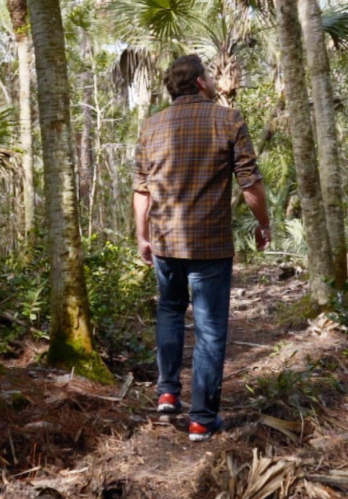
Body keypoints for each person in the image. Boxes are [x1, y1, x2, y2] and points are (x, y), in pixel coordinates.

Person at [133, 54, 271, 442]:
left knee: (171, 310)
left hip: (164, 243)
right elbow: (250, 183)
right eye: (208, 75)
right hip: (210, 244)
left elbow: (141, 189)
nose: (213, 80)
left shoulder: (151, 126)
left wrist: (142, 236)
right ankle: (202, 420)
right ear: (198, 83)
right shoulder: (228, 119)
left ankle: (166, 392)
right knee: (210, 331)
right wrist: (264, 224)